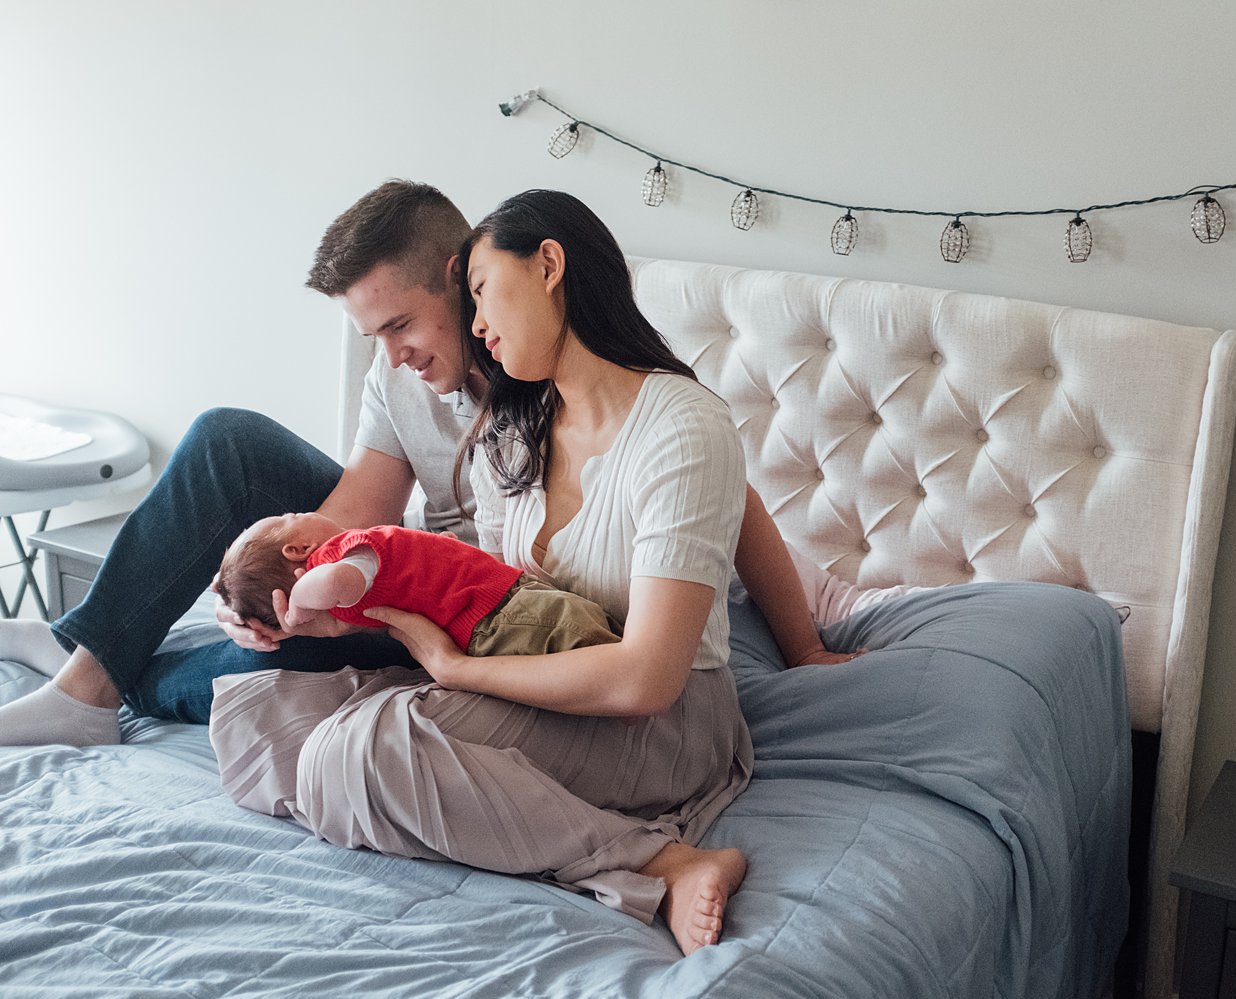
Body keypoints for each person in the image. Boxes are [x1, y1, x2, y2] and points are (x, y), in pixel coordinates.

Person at [0, 180, 854, 747]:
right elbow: (351, 515)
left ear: (463, 278)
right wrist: (291, 578)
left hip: (481, 608)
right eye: (373, 337)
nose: (394, 355)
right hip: (402, 562)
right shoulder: (397, 372)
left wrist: (805, 648)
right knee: (228, 440)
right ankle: (93, 663)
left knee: (268, 670)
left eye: (401, 325)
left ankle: (105, 661)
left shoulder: (562, 375)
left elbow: (722, 491)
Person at [210, 189, 761, 956]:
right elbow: (495, 597)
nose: (474, 325)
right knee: (255, 725)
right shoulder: (516, 428)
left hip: (661, 719)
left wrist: (453, 673)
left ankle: (666, 864)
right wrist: (348, 614)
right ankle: (465, 801)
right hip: (539, 675)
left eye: (479, 293)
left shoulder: (683, 427)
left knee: (357, 751)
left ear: (548, 266)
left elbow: (648, 682)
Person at [213, 512, 619, 658]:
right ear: (299, 549)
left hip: (494, 612)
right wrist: (300, 603)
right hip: (499, 613)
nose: (306, 510)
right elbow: (337, 579)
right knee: (580, 629)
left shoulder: (349, 589)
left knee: (573, 631)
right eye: (294, 514)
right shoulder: (338, 558)